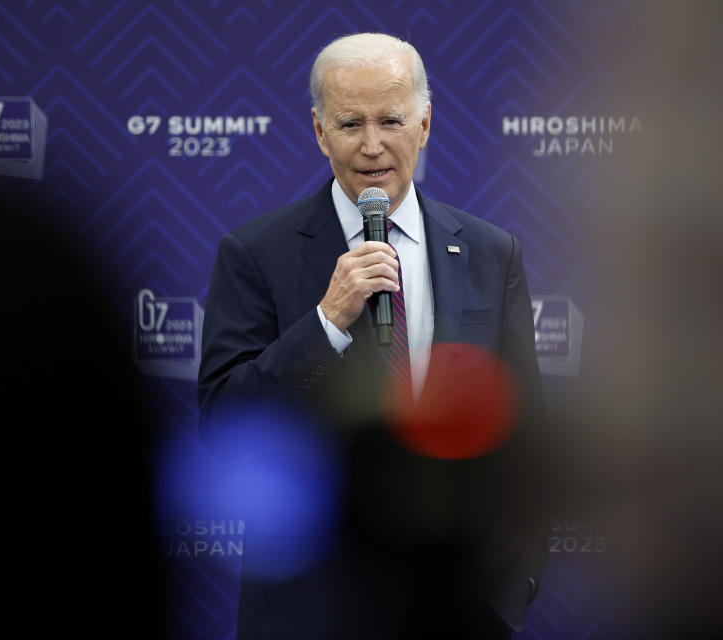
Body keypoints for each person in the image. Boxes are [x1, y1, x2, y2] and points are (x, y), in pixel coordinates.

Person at [198, 33, 546, 639]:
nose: (371, 145)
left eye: (390, 120)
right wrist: (327, 321)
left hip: (458, 610)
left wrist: (509, 589)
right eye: (349, 123)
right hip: (309, 610)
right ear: (318, 130)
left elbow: (527, 433)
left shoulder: (491, 253)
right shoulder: (255, 254)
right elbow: (227, 425)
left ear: (426, 124)